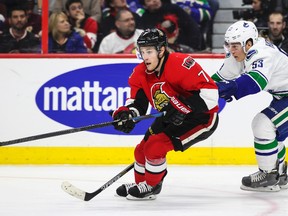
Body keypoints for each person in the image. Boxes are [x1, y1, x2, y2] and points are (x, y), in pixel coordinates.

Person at [111, 28, 219, 200]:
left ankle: (152, 186)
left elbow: (211, 96)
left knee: (155, 146)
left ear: (161, 50)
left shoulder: (181, 64)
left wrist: (182, 106)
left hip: (201, 118)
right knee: (141, 150)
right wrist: (128, 114)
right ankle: (142, 184)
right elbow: (138, 104)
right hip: (170, 114)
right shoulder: (140, 73)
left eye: (149, 51)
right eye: (142, 51)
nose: (145, 56)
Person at [212, 20, 288, 192]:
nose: (231, 50)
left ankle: (268, 175)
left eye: (235, 45)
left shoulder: (263, 52)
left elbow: (255, 82)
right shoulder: (239, 53)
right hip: (283, 96)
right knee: (272, 133)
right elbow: (216, 80)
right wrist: (193, 91)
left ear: (249, 43)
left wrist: (228, 89)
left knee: (263, 125)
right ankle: (280, 175)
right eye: (229, 45)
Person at [139, 0, 203, 51]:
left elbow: (192, 26)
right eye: (149, 0)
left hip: (186, 47)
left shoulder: (173, 8)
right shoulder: (145, 18)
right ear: (145, 6)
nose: (154, 1)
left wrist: (194, 48)